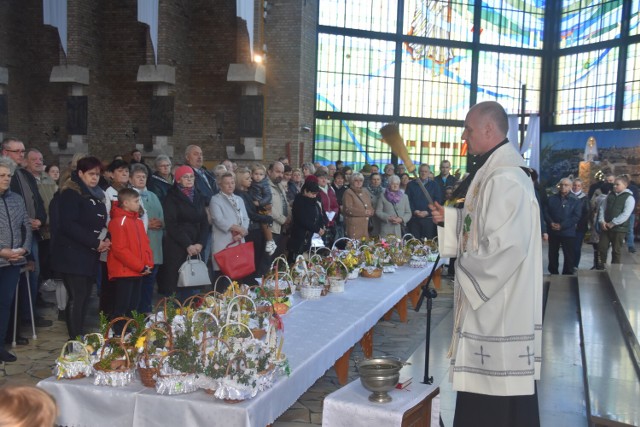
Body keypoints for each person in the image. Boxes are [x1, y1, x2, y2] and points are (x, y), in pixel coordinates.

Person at [430, 101, 542, 427]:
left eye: (469, 129)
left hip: (500, 309)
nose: (465, 136)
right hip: (495, 306)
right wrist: (451, 220)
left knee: (495, 395)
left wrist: (462, 266)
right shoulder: (491, 172)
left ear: (489, 130)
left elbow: (506, 247)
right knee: (488, 391)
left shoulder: (506, 178)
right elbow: (480, 222)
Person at [52, 157, 110, 340]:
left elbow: (100, 221)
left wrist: (106, 238)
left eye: (97, 174)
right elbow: (69, 225)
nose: (95, 178)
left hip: (88, 254)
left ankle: (79, 334)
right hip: (73, 254)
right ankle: (74, 339)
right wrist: (95, 243)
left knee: (85, 297)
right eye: (91, 174)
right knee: (77, 297)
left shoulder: (96, 194)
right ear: (80, 174)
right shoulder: (71, 194)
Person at [159, 165, 209, 301]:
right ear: (178, 180)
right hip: (178, 246)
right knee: (177, 285)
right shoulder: (171, 197)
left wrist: (201, 243)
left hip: (197, 244)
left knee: (194, 286)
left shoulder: (198, 196)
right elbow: (172, 225)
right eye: (185, 177)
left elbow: (205, 222)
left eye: (191, 176)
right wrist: (188, 244)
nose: (189, 179)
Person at [107, 188, 153, 330]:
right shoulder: (118, 222)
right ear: (125, 203)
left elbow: (145, 244)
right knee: (122, 306)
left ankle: (129, 333)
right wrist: (139, 266)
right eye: (136, 201)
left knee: (133, 306)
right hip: (125, 271)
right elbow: (120, 250)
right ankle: (118, 334)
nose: (139, 204)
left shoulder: (137, 221)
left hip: (138, 270)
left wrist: (148, 264)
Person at [0, 157, 31, 362]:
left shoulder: (17, 199)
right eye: (2, 175)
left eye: (9, 175)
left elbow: (26, 226)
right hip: (2, 257)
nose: (6, 179)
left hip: (13, 262)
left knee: (5, 305)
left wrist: (25, 249)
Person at [129, 164, 164, 314]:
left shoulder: (153, 195)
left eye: (144, 177)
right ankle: (135, 312)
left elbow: (162, 215)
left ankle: (146, 310)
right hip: (138, 245)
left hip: (154, 244)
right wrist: (146, 223)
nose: (142, 179)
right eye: (138, 176)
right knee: (138, 282)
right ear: (131, 179)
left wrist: (160, 223)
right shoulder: (129, 197)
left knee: (150, 281)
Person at [210, 172, 250, 291]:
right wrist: (236, 229)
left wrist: (243, 231)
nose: (230, 185)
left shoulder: (239, 199)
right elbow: (218, 219)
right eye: (226, 183)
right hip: (224, 241)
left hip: (238, 241)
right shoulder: (215, 199)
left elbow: (245, 218)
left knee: (238, 274)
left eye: (232, 183)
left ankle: (237, 301)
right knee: (223, 275)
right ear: (220, 185)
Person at [235, 168, 272, 279]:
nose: (251, 180)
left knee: (257, 259)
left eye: (250, 178)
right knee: (251, 261)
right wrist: (266, 218)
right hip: (250, 230)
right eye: (247, 178)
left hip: (256, 229)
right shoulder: (239, 195)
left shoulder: (248, 192)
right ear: (239, 180)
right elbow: (249, 214)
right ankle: (249, 284)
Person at [544, 178, 581, 275]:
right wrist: (551, 223)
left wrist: (562, 225)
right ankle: (553, 271)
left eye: (566, 185)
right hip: (553, 230)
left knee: (568, 254)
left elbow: (576, 216)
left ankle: (567, 273)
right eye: (562, 184)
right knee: (552, 253)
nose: (563, 187)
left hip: (568, 231)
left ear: (570, 186)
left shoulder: (576, 200)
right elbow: (546, 212)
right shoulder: (552, 198)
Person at [598, 175, 635, 267]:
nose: (614, 186)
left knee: (616, 250)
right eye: (614, 184)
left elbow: (626, 214)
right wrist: (602, 221)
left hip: (619, 228)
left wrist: (613, 223)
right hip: (605, 226)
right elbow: (602, 208)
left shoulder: (629, 198)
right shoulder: (610, 195)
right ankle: (600, 267)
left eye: (617, 184)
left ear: (625, 185)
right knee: (601, 248)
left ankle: (615, 271)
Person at [287, 177, 326, 263]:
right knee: (296, 259)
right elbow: (302, 219)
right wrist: (316, 229)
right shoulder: (299, 201)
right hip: (300, 235)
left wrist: (321, 226)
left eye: (315, 194)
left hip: (310, 235)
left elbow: (318, 214)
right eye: (312, 193)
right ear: (305, 191)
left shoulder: (314, 201)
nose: (314, 196)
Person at [406, 164, 443, 240]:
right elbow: (407, 200)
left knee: (427, 243)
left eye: (426, 171)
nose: (424, 173)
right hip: (414, 219)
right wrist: (414, 211)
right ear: (419, 172)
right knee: (414, 242)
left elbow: (437, 201)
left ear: (429, 173)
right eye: (422, 171)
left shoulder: (434, 185)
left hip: (429, 220)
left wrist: (427, 212)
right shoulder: (411, 185)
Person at [249, 164, 276, 256]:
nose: (258, 176)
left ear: (264, 176)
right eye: (256, 174)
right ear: (251, 174)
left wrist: (260, 203)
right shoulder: (251, 183)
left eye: (261, 174)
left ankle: (270, 241)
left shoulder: (264, 184)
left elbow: (268, 196)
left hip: (262, 206)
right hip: (254, 207)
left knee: (265, 222)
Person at [266, 162, 290, 260]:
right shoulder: (265, 186)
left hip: (282, 228)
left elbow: (285, 203)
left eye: (282, 172)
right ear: (269, 172)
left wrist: (289, 217)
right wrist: (282, 219)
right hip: (272, 228)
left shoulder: (280, 185)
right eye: (277, 172)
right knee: (268, 260)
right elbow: (268, 207)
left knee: (278, 259)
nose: (280, 175)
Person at [342, 172, 373, 240]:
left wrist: (371, 212)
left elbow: (370, 206)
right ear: (352, 181)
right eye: (356, 180)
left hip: (365, 226)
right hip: (354, 227)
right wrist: (364, 212)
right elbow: (348, 209)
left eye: (361, 180)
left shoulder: (365, 192)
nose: (359, 182)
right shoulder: (348, 192)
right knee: (354, 247)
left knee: (365, 247)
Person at [316, 169, 339, 247]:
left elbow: (336, 205)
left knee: (330, 246)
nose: (324, 180)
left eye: (325, 178)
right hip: (321, 223)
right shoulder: (315, 190)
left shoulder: (331, 189)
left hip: (331, 222)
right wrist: (325, 216)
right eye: (321, 178)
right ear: (316, 179)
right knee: (321, 247)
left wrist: (333, 214)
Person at [571, 178, 589, 270]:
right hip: (568, 226)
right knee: (569, 247)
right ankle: (569, 264)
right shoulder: (568, 196)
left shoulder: (585, 198)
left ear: (581, 187)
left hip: (579, 227)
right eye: (574, 185)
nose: (576, 187)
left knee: (577, 247)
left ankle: (575, 265)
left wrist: (578, 223)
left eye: (578, 186)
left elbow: (586, 213)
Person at [366, 172, 384, 237]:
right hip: (370, 219)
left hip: (381, 219)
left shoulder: (385, 191)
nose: (376, 181)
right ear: (370, 180)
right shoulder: (365, 191)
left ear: (381, 181)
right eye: (374, 179)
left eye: (378, 179)